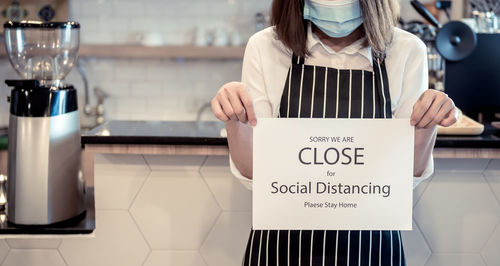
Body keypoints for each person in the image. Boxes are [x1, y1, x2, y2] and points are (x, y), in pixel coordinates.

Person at [211, 0, 457, 265]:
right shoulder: (265, 46)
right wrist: (235, 118)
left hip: (369, 249)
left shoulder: (407, 51)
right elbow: (255, 175)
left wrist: (428, 122)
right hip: (281, 249)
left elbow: (405, 175)